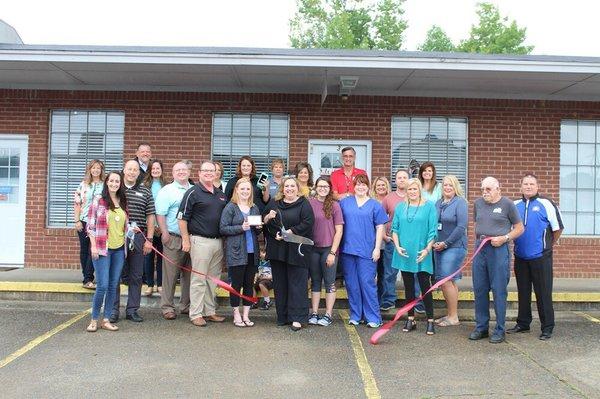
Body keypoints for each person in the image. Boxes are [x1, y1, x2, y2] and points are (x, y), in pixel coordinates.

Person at [508, 174, 563, 341]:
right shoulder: (514, 205)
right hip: (521, 257)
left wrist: (547, 246)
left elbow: (558, 228)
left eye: (532, 184)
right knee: (523, 292)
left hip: (541, 257)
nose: (528, 186)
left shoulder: (547, 204)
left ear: (537, 187)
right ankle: (523, 323)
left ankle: (547, 327)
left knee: (543, 293)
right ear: (521, 187)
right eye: (525, 184)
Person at [469, 177, 524, 344]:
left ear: (498, 189)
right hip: (481, 249)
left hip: (498, 250)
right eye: (483, 189)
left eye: (488, 189)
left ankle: (500, 329)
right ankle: (481, 327)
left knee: (499, 290)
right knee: (479, 289)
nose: (485, 192)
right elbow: (477, 225)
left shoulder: (508, 204)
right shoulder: (478, 204)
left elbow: (520, 228)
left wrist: (505, 238)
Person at [179, 161, 228, 327]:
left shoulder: (221, 194)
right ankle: (196, 314)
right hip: (199, 242)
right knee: (199, 279)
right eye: (205, 170)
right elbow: (182, 218)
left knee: (212, 280)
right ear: (199, 173)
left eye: (211, 171)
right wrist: (186, 240)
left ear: (216, 173)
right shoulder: (192, 192)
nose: (208, 173)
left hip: (218, 242)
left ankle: (209, 312)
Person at [263, 177, 315, 331]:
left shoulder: (304, 203)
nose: (290, 189)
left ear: (297, 188)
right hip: (278, 249)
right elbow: (267, 223)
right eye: (287, 186)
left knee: (297, 284)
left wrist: (291, 232)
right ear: (282, 189)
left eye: (292, 186)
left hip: (297, 250)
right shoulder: (274, 203)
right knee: (280, 284)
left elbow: (308, 222)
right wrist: (275, 232)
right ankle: (283, 316)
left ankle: (297, 318)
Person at [110, 160, 155, 324]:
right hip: (117, 236)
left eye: (135, 170)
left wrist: (149, 240)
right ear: (124, 170)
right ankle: (113, 310)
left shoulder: (146, 191)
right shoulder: (116, 190)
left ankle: (132, 310)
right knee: (115, 275)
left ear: (138, 172)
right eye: (129, 169)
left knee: (136, 275)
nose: (132, 172)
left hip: (138, 236)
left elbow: (151, 216)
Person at [339, 174, 387, 328]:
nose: (360, 187)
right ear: (353, 186)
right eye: (358, 184)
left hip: (367, 250)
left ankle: (373, 317)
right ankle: (356, 315)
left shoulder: (375, 205)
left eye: (363, 184)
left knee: (367, 283)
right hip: (348, 250)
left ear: (368, 187)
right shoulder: (344, 203)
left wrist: (377, 248)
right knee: (352, 284)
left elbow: (380, 227)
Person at [391, 178, 438, 335]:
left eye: (415, 189)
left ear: (420, 190)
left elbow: (433, 231)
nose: (412, 192)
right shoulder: (400, 207)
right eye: (409, 189)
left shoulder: (429, 207)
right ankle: (410, 318)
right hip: (405, 253)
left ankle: (430, 320)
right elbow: (394, 229)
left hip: (422, 252)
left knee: (425, 287)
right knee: (409, 287)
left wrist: (427, 249)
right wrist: (397, 247)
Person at [85, 171, 127, 332]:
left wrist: (132, 228)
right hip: (102, 249)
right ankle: (94, 319)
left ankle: (107, 319)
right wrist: (94, 246)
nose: (115, 184)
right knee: (102, 285)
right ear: (107, 182)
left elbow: (123, 224)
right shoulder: (98, 200)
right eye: (112, 181)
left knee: (113, 285)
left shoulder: (123, 201)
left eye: (117, 181)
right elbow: (90, 226)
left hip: (118, 250)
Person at [220, 178, 262, 327]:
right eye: (242, 189)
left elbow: (257, 232)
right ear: (236, 190)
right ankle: (236, 314)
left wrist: (258, 228)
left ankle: (246, 315)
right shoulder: (231, 207)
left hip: (252, 252)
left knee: (249, 284)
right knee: (236, 285)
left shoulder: (254, 207)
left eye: (248, 189)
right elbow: (223, 228)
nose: (245, 191)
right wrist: (240, 228)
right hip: (236, 252)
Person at [155, 161, 192, 320]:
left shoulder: (194, 190)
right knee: (170, 275)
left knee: (189, 275)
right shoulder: (167, 190)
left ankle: (186, 305)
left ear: (189, 172)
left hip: (192, 238)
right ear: (173, 173)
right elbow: (160, 214)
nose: (182, 172)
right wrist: (164, 233)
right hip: (173, 238)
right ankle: (167, 307)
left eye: (184, 170)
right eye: (178, 170)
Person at [432, 175, 468, 327]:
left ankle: (453, 317)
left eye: (450, 186)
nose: (447, 188)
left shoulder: (460, 203)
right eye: (445, 185)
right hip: (439, 246)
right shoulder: (438, 203)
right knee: (448, 281)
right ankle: (450, 314)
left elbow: (461, 227)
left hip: (453, 247)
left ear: (456, 188)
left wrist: (446, 243)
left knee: (445, 280)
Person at [308, 177, 344, 326]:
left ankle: (328, 314)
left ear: (330, 189)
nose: (323, 189)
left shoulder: (335, 205)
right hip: (313, 249)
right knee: (315, 282)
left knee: (329, 282)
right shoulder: (309, 203)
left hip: (329, 248)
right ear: (316, 187)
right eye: (320, 186)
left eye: (326, 186)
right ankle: (315, 313)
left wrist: (332, 253)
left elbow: (339, 231)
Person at [379, 170, 409, 310]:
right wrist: (385, 236)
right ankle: (388, 299)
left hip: (410, 241)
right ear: (395, 181)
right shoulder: (388, 198)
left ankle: (415, 301)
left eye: (404, 177)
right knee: (390, 272)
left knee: (412, 273)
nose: (402, 180)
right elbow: (380, 219)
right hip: (391, 241)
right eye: (399, 178)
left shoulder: (414, 196)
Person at [74, 159, 105, 289]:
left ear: (101, 170)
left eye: (98, 168)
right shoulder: (83, 184)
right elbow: (77, 203)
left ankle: (89, 278)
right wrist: (77, 220)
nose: (96, 170)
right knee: (84, 250)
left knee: (94, 249)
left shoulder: (105, 185)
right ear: (89, 169)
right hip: (84, 220)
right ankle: (87, 278)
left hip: (98, 223)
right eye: (93, 168)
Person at [142, 159, 168, 296]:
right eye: (153, 169)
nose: (156, 171)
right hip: (149, 226)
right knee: (148, 256)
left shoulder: (167, 185)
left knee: (161, 256)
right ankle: (150, 284)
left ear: (162, 170)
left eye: (158, 168)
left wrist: (161, 226)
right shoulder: (145, 185)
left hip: (163, 226)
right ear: (150, 171)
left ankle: (160, 284)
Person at [370, 176, 391, 307]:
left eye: (383, 185)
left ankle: (382, 301)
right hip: (374, 243)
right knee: (373, 274)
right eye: (378, 185)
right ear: (374, 187)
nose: (381, 187)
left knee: (384, 274)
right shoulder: (371, 202)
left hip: (389, 242)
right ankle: (373, 301)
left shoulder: (391, 200)